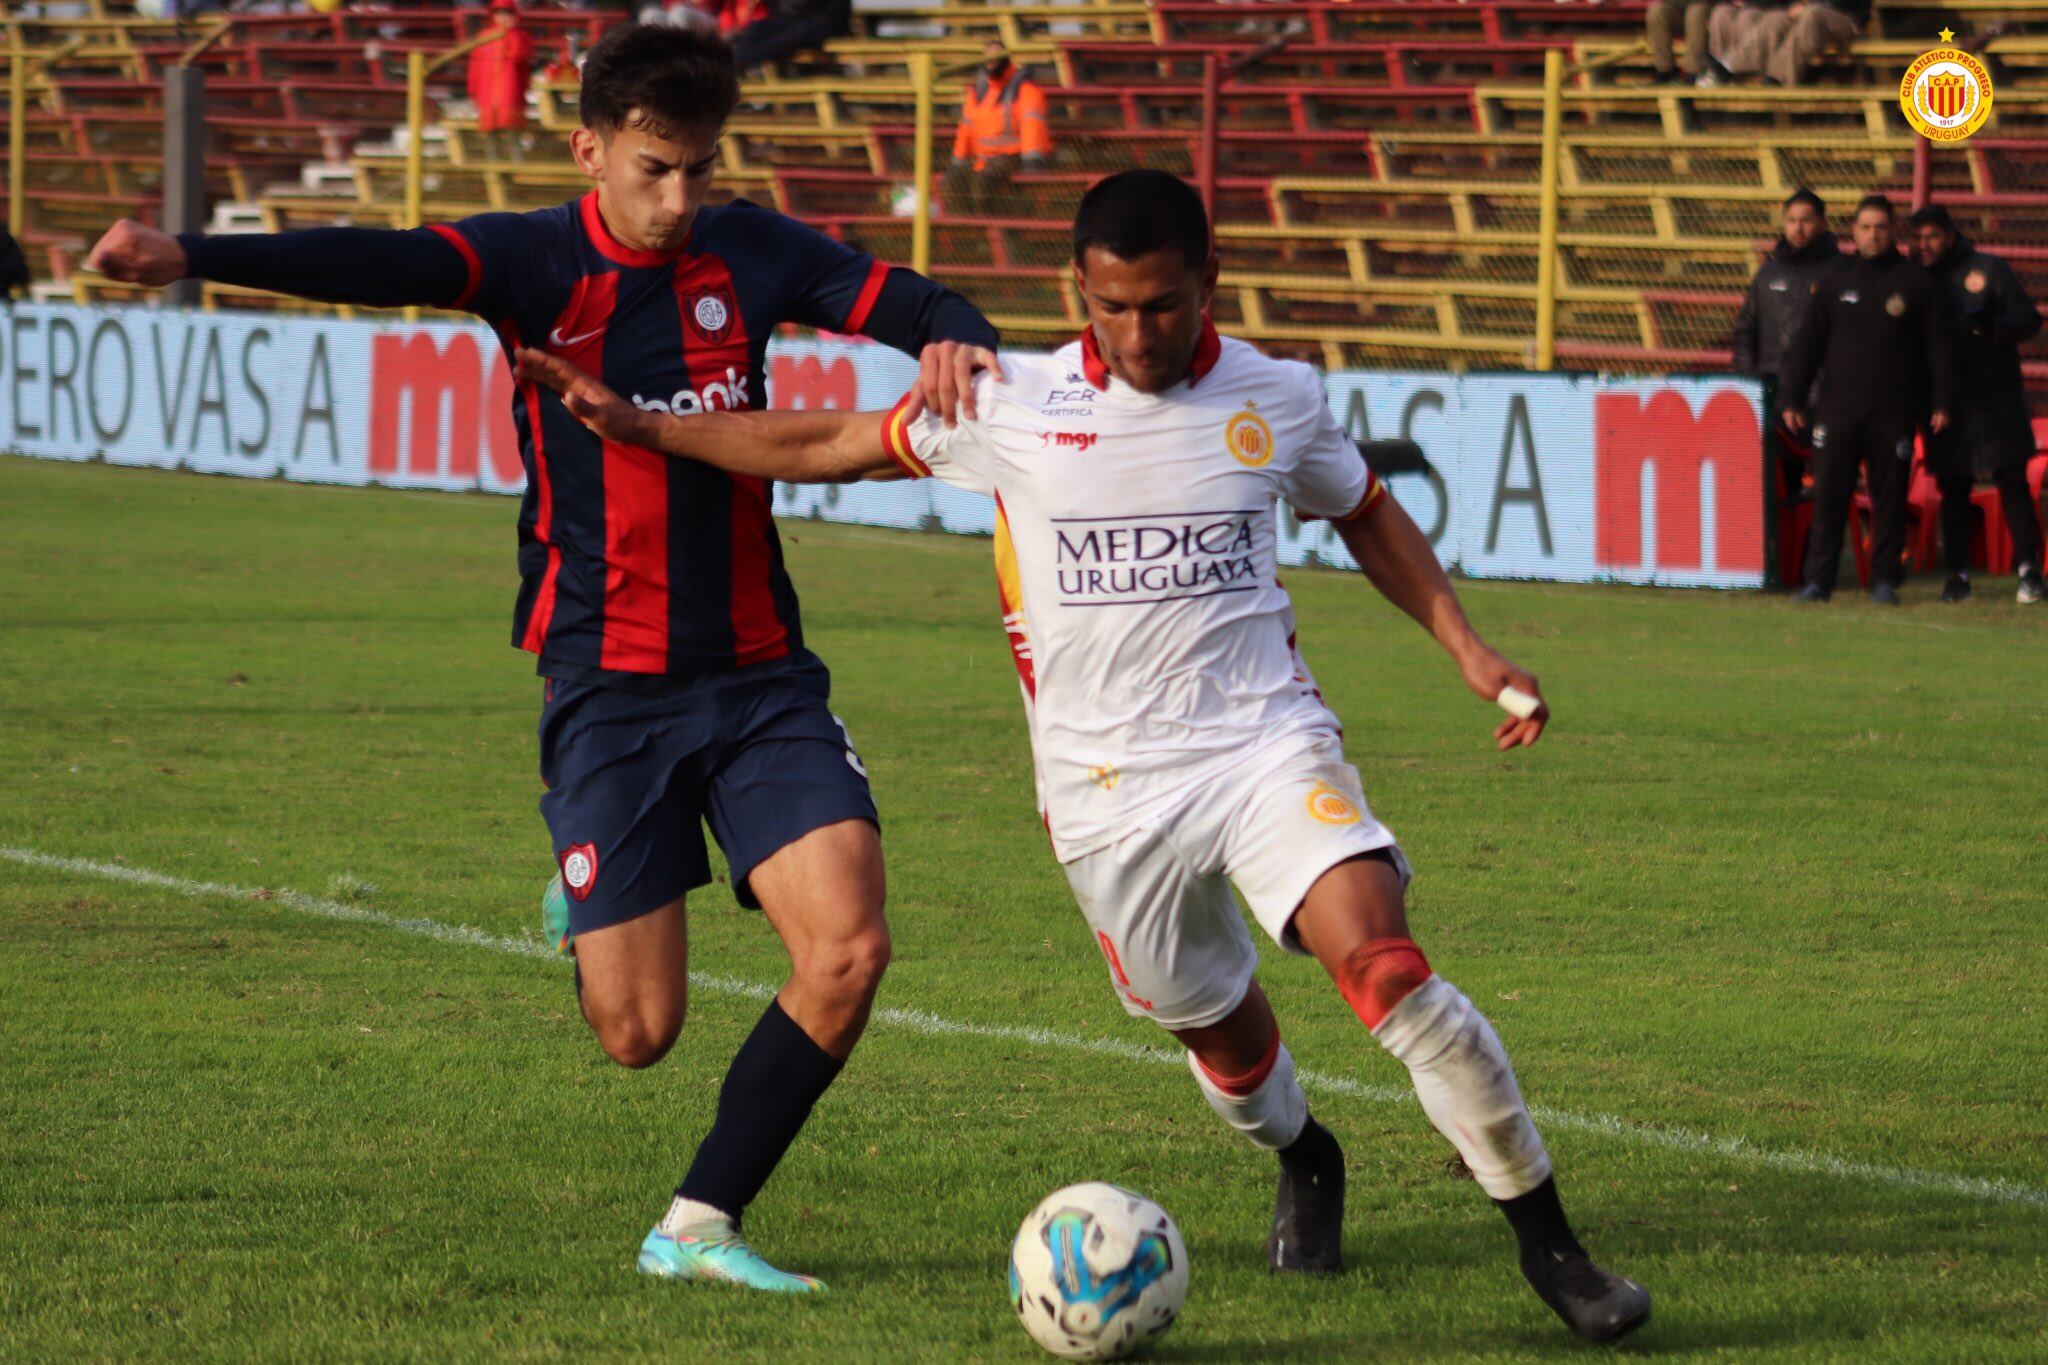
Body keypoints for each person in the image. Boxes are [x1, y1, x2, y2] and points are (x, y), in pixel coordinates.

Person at [515, 168, 1654, 1346]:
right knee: (1219, 1037)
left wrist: (1462, 645)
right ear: (1078, 291)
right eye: (1111, 306)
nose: (1137, 331)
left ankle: (1554, 1254)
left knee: (1383, 967)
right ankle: (1307, 1156)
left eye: (1161, 305)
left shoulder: (1277, 394)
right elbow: (829, 441)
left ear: (1206, 284)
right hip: (1107, 799)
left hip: (1263, 747)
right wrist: (647, 426)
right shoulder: (1010, 401)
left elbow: (1360, 505)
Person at [85, 24, 1001, 1293]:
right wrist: (192, 253)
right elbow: (377, 259)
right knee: (638, 1033)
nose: (679, 199)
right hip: (607, 682)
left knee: (848, 947)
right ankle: (588, 903)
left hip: (758, 674)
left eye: (698, 169)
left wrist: (954, 338)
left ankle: (695, 1226)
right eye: (652, 169)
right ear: (592, 150)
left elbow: (917, 303)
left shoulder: (752, 248)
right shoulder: (533, 258)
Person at [1780, 194, 1953, 604]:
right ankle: (1818, 581)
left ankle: (1884, 581)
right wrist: (1792, 398)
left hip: (1891, 412)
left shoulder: (1915, 283)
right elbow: (1808, 345)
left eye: (1881, 226)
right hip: (1837, 411)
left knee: (1888, 500)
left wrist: (1943, 402)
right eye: (1866, 227)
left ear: (1892, 231)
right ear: (1854, 232)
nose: (1873, 234)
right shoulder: (1837, 282)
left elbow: (1938, 349)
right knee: (1828, 497)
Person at [1909, 204, 2047, 605]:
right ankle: (1958, 576)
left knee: (2013, 483)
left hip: (1996, 396)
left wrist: (1994, 328)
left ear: (1951, 235)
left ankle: (2029, 572)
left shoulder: (1988, 269)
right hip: (1944, 402)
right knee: (1953, 488)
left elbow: (2030, 320)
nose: (1925, 245)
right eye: (1917, 238)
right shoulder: (1913, 280)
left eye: (1932, 236)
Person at [1732, 188, 1845, 503]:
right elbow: (1745, 331)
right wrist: (1750, 383)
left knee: (1829, 492)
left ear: (1822, 223)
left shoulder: (1841, 272)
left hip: (1828, 400)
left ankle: (1819, 551)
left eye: (1806, 220)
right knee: (1776, 493)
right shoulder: (1768, 274)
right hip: (1776, 399)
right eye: (1792, 220)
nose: (1798, 228)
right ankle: (1786, 552)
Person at [945, 40, 1053, 214]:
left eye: (996, 58)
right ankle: (964, 233)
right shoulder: (977, 91)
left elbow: (1032, 125)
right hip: (982, 160)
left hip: (1012, 156)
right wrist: (958, 160)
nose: (992, 63)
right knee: (951, 184)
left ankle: (989, 234)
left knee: (982, 184)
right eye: (988, 59)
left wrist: (1032, 160)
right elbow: (966, 129)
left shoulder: (1024, 87)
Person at [468, 0, 538, 163]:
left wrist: (509, 34)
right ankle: (493, 167)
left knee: (512, 133)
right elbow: (475, 66)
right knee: (490, 136)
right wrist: (473, 90)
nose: (503, 17)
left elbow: (521, 56)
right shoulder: (484, 37)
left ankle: (517, 166)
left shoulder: (520, 37)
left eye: (507, 13)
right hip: (487, 93)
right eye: (498, 13)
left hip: (509, 92)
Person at [729, 0, 849, 73]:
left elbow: (800, 6)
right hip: (793, 22)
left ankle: (740, 60)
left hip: (822, 23)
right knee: (757, 27)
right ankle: (736, 59)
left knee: (789, 36)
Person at [1646, 0, 1712, 84]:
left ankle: (1693, 72)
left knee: (1695, 13)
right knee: (1656, 12)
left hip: (1706, 9)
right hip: (1678, 7)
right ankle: (1665, 70)